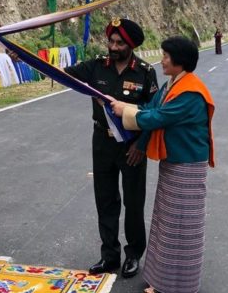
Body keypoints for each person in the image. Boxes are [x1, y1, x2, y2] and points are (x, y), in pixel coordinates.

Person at [110, 36, 215, 293]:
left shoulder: (190, 91)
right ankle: (163, 281)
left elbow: (157, 117)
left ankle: (177, 286)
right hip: (174, 162)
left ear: (179, 61)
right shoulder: (172, 85)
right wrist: (127, 108)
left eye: (166, 56)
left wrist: (125, 110)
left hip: (187, 166)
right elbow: (150, 106)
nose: (162, 60)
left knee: (180, 227)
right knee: (166, 223)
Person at [63, 18, 158, 278]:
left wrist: (141, 145)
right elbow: (61, 74)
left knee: (133, 203)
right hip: (102, 143)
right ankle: (110, 256)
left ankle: (134, 254)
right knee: (105, 201)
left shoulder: (145, 72)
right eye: (111, 41)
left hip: (131, 146)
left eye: (119, 43)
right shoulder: (96, 67)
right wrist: (23, 57)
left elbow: (153, 112)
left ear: (131, 45)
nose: (113, 47)